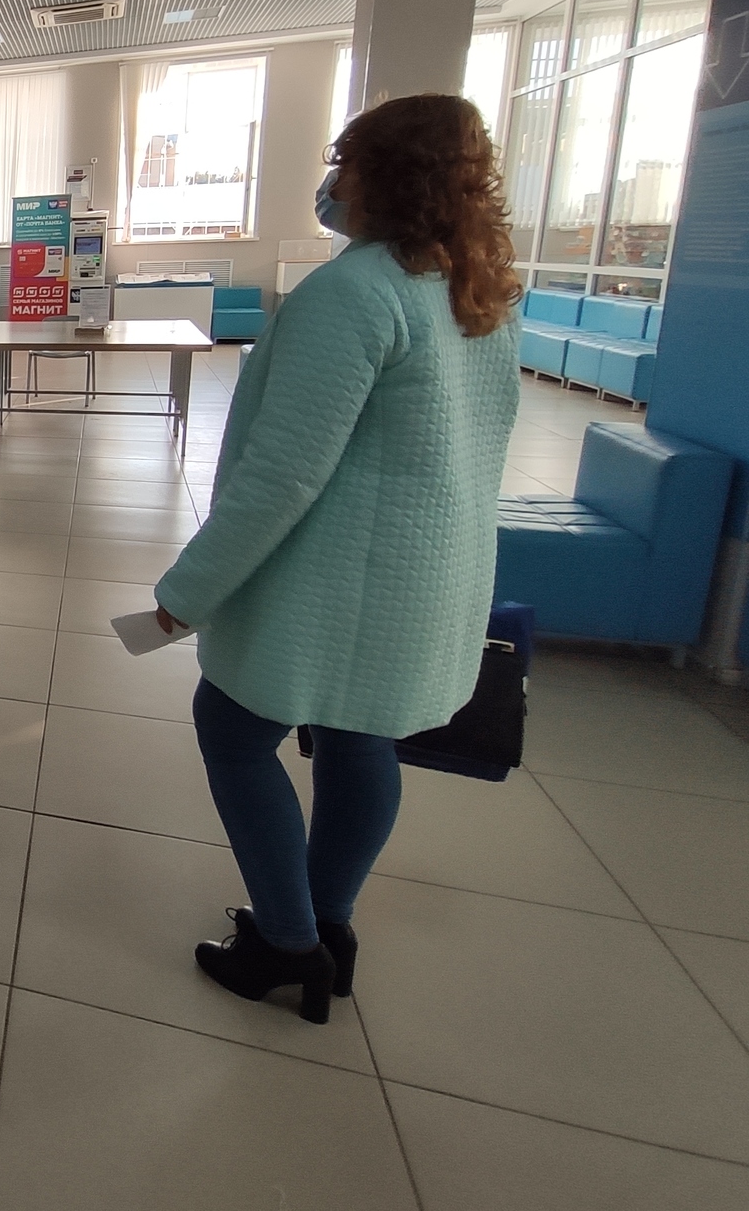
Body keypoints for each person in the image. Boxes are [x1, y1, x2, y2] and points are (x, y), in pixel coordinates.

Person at [151, 94, 521, 1025]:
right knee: (360, 739)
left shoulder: (353, 292)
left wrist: (185, 596)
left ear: (383, 176)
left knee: (232, 730)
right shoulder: (472, 287)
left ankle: (285, 942)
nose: (331, 182)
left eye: (344, 162)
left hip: (339, 585)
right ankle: (328, 923)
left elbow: (282, 476)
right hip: (423, 580)